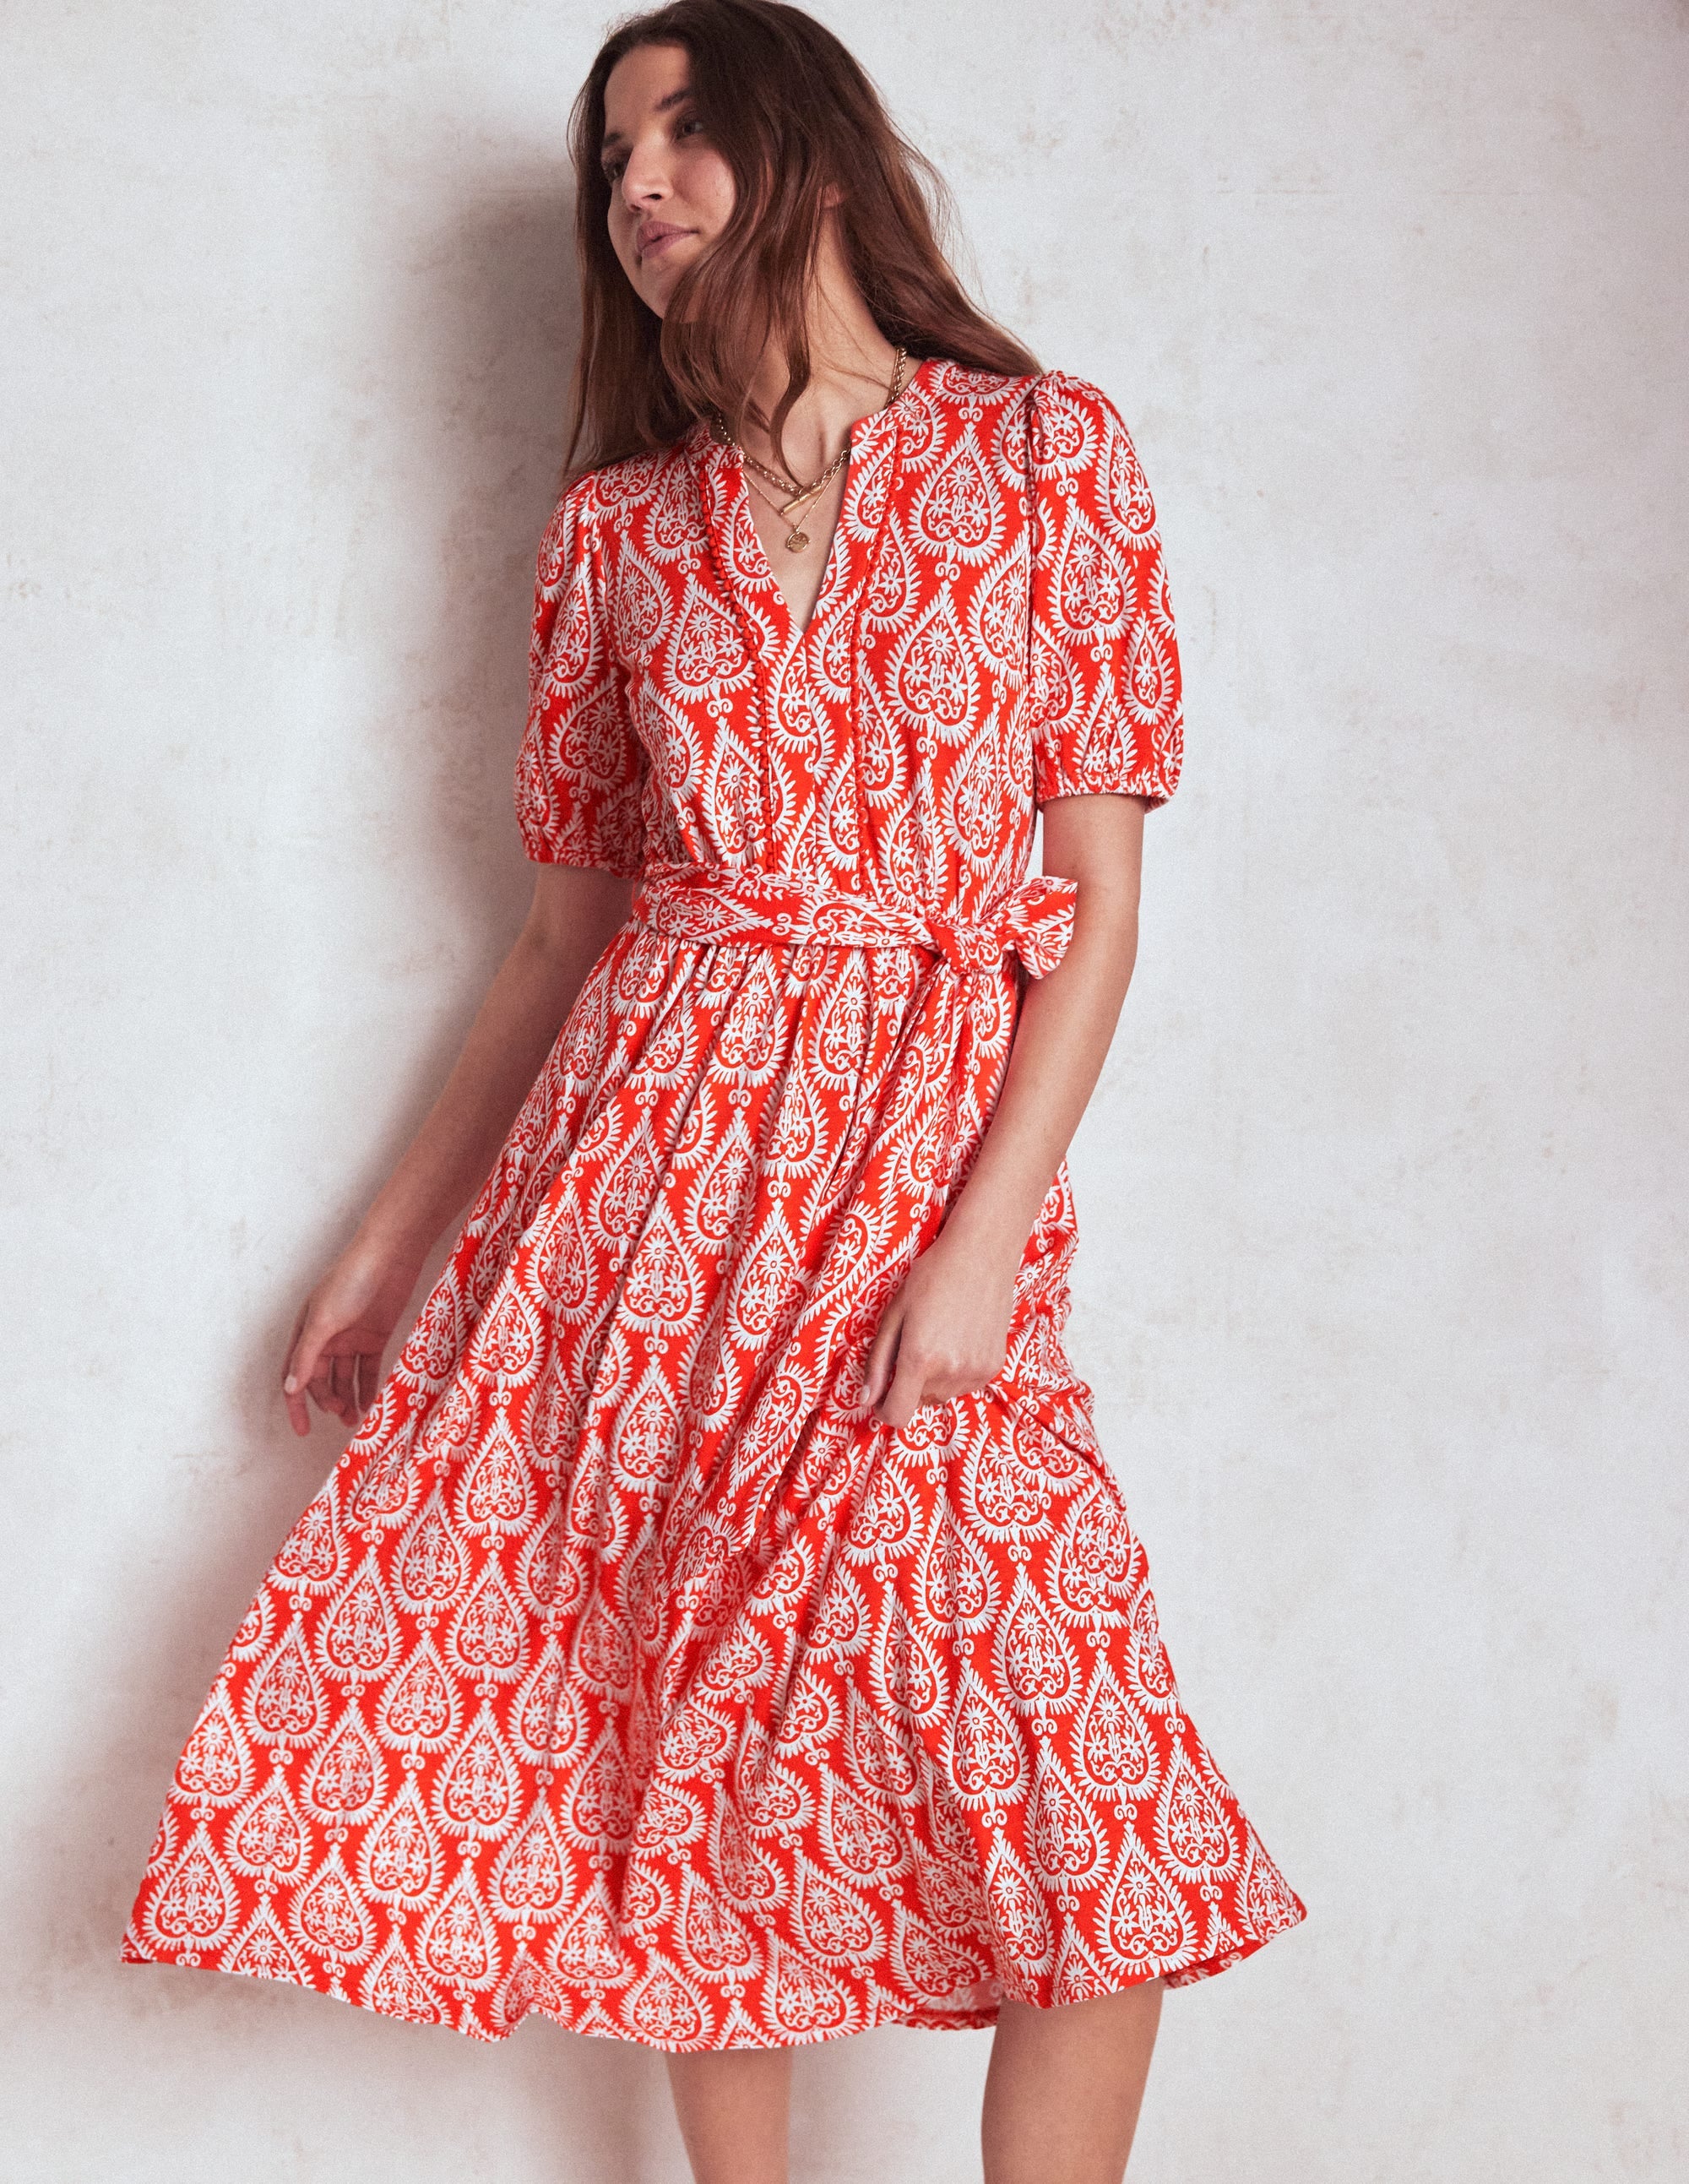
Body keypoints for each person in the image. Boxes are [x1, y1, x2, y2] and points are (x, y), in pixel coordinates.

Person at [122, 3, 1307, 2177]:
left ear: (819, 161)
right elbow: (560, 944)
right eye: (608, 160)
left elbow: (1098, 916)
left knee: (1078, 1802)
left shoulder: (1047, 458)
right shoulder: (616, 542)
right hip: (635, 1222)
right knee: (706, 1779)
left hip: (919, 1192)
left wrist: (975, 1258)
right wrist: (384, 1252)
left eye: (681, 132)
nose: (636, 186)